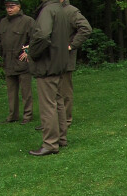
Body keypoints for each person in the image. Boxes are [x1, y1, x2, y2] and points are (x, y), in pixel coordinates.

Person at [35, 0, 91, 131]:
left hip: (65, 59)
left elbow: (86, 28)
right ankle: (52, 122)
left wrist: (71, 45)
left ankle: (65, 121)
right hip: (52, 59)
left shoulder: (70, 10)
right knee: (53, 93)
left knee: (64, 91)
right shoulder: (51, 10)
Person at [28, 0, 70, 156]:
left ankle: (50, 143)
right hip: (58, 63)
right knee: (58, 101)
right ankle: (61, 138)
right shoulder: (61, 11)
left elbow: (43, 35)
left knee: (48, 105)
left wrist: (32, 52)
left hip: (48, 64)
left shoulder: (48, 10)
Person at [0, 0, 35, 125]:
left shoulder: (28, 21)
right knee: (11, 92)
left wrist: (29, 51)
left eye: (12, 6)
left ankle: (27, 115)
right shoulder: (3, 23)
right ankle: (13, 115)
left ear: (19, 7)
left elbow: (37, 38)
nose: (9, 9)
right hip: (8, 62)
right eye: (7, 7)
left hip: (22, 61)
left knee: (25, 91)